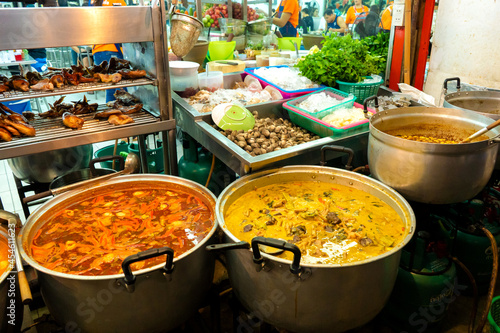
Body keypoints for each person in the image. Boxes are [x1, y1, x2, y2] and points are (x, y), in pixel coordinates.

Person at [91, 0, 127, 102]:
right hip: (111, 50)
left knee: (111, 88)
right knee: (121, 88)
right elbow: (125, 21)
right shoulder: (116, 1)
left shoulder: (97, 2)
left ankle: (112, 113)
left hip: (98, 51)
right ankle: (120, 115)